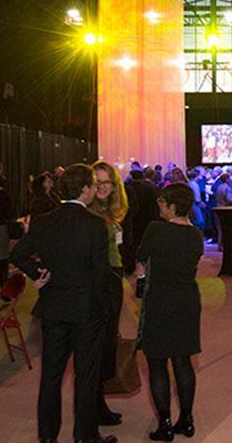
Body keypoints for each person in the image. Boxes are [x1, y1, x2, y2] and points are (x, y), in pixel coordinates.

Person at [9, 164, 117, 443]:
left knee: (51, 377)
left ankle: (47, 438)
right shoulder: (94, 226)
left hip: (53, 309)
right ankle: (85, 437)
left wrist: (37, 273)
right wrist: (105, 310)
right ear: (84, 189)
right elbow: (99, 274)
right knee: (86, 378)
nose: (96, 188)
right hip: (87, 312)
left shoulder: (43, 221)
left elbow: (18, 254)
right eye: (93, 184)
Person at [137, 184, 202, 441]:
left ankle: (164, 423)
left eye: (162, 204)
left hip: (160, 301)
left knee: (157, 363)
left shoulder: (156, 230)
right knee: (183, 362)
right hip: (187, 301)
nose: (159, 208)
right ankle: (186, 419)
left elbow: (141, 257)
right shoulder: (196, 235)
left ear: (172, 206)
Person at [88, 161, 130, 427]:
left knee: (107, 348)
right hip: (98, 285)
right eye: (98, 182)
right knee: (96, 349)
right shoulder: (89, 215)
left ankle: (99, 403)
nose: (103, 188)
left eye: (107, 183)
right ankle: (94, 407)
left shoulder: (110, 214)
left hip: (113, 281)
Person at [123, 169, 159, 275]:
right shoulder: (149, 188)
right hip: (146, 220)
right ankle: (145, 265)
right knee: (144, 242)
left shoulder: (127, 189)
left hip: (132, 220)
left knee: (131, 244)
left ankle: (130, 266)